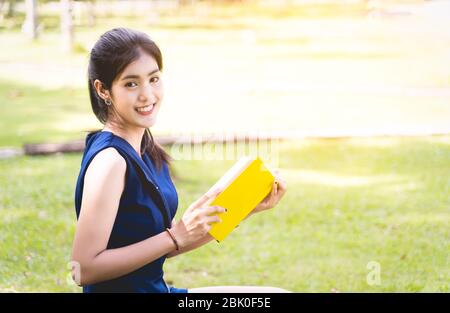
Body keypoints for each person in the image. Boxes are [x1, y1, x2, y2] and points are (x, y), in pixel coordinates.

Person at [71, 27, 288, 293]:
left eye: (153, 79)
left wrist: (244, 207)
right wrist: (176, 235)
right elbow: (84, 269)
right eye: (131, 83)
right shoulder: (110, 162)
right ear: (103, 90)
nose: (147, 95)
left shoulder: (146, 148)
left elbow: (166, 245)